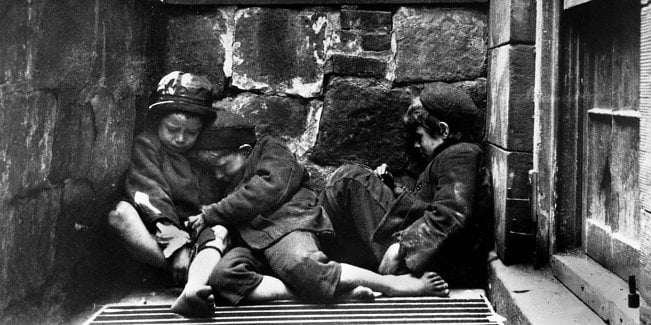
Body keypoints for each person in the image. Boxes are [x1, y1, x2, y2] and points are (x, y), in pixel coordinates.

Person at [183, 132, 450, 314]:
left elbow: (269, 188)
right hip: (251, 241)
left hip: (284, 224)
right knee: (223, 278)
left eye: (221, 165)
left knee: (303, 267)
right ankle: (334, 292)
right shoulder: (218, 179)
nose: (217, 175)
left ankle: (392, 285)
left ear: (244, 151)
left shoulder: (269, 148)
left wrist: (212, 214)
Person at [319, 82, 493, 289]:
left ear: (444, 130)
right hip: (429, 251)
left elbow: (452, 214)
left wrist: (403, 247)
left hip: (432, 258)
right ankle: (317, 261)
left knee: (349, 180)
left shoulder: (461, 154)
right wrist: (392, 187)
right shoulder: (453, 156)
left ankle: (313, 264)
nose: (416, 145)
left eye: (420, 136)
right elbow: (429, 204)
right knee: (353, 180)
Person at [107, 71, 226, 290]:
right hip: (159, 229)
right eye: (172, 129)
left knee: (220, 231)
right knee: (120, 213)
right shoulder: (148, 146)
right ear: (158, 121)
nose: (181, 139)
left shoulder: (203, 153)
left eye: (191, 132)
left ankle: (198, 271)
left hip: (196, 231)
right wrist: (175, 244)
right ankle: (185, 270)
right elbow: (151, 194)